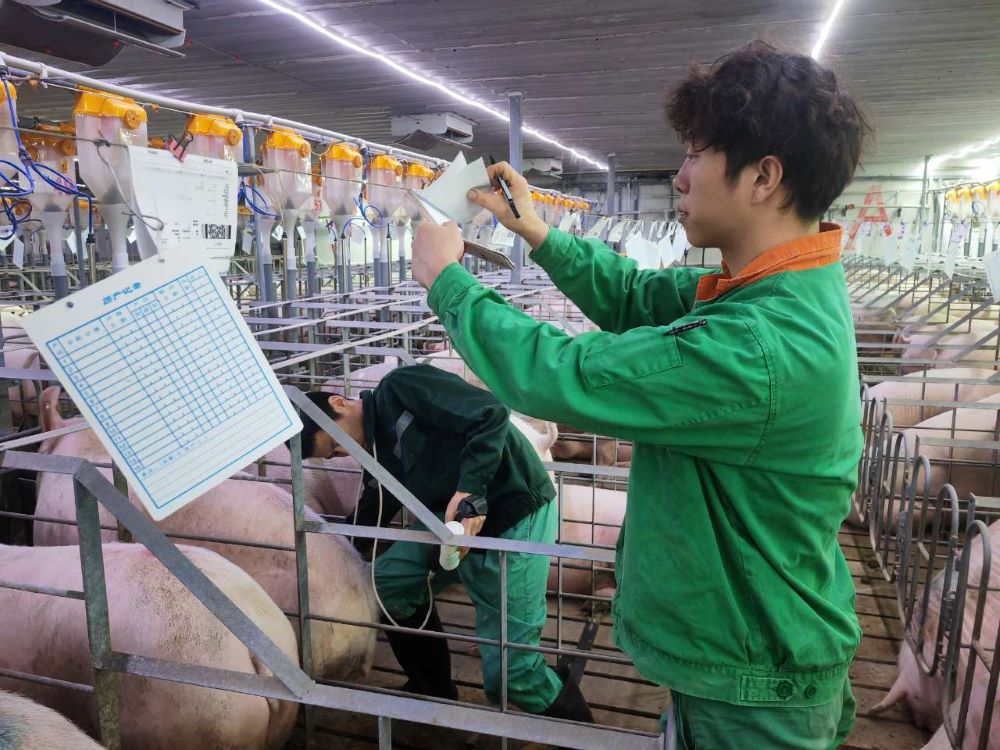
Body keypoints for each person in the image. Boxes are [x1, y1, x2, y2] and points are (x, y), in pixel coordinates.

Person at [409, 41, 871, 749]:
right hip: (748, 649)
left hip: (752, 682)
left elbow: (562, 373)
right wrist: (539, 232)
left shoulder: (760, 343)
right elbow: (636, 294)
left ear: (763, 177)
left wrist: (447, 282)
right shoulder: (775, 291)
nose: (679, 177)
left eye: (695, 154)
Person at [296, 363, 594, 726]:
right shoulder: (376, 450)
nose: (342, 453)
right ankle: (433, 689)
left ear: (339, 403)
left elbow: (490, 414)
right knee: (384, 587)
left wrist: (470, 491)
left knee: (511, 674)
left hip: (512, 510)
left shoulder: (400, 388)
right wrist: (334, 549)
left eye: (335, 443)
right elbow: (376, 503)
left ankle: (582, 734)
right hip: (451, 520)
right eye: (333, 455)